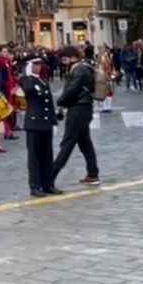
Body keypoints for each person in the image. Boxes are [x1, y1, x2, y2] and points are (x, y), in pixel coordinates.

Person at [50, 46, 100, 188]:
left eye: (65, 59)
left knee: (68, 142)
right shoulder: (85, 67)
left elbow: (72, 89)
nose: (64, 63)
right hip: (83, 108)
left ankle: (51, 175)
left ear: (72, 57)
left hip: (78, 109)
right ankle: (93, 173)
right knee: (85, 143)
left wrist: (60, 101)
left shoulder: (79, 69)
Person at [17, 57, 59, 197]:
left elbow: (49, 102)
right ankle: (35, 186)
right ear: (29, 66)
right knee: (34, 156)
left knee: (47, 155)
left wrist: (54, 120)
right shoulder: (27, 81)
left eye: (40, 64)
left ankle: (48, 184)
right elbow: (25, 91)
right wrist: (27, 74)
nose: (38, 67)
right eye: (35, 64)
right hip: (34, 123)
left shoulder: (43, 80)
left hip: (45, 122)